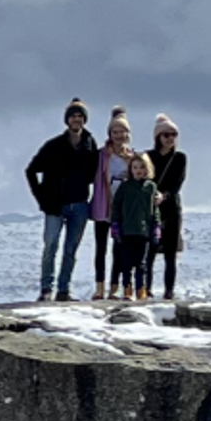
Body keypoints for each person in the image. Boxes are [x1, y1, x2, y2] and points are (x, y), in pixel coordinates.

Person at [25, 99, 97, 300]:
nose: (77, 119)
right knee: (51, 245)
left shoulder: (90, 144)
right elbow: (31, 170)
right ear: (67, 120)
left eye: (80, 116)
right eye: (73, 116)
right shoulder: (53, 145)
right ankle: (46, 289)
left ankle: (63, 290)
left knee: (71, 249)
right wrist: (42, 199)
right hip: (55, 206)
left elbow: (95, 172)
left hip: (80, 204)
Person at [88, 108, 134, 297]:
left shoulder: (132, 158)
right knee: (100, 248)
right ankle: (99, 287)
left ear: (127, 134)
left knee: (119, 249)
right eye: (115, 132)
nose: (119, 136)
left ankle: (114, 288)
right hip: (102, 206)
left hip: (122, 209)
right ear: (109, 134)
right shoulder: (101, 155)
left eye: (122, 132)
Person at [109, 149, 158, 306]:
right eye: (136, 168)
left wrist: (156, 227)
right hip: (126, 230)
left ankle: (141, 289)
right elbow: (116, 206)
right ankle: (127, 289)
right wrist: (115, 225)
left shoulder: (151, 187)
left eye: (142, 168)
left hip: (143, 231)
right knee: (126, 263)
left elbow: (155, 209)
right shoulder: (125, 187)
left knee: (141, 263)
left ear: (148, 169)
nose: (139, 171)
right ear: (131, 169)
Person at [145, 115, 186, 301]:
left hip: (171, 208)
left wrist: (164, 195)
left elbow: (178, 183)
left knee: (170, 252)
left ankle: (169, 291)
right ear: (158, 137)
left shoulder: (179, 158)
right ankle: (146, 289)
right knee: (149, 252)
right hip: (151, 208)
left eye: (174, 134)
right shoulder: (148, 157)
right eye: (166, 135)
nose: (170, 138)